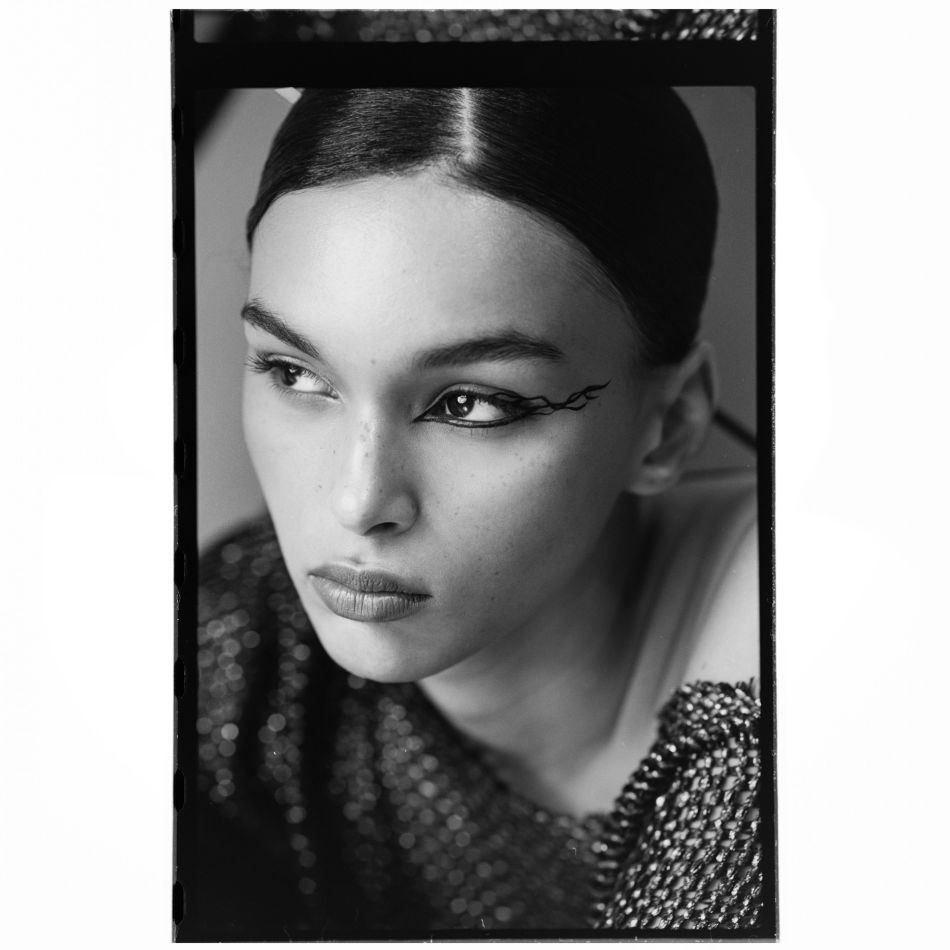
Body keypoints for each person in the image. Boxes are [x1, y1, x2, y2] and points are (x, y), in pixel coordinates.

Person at [184, 88, 762, 937]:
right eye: (294, 373)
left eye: (470, 404)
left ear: (668, 424)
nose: (358, 501)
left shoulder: (787, 683)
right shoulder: (241, 643)